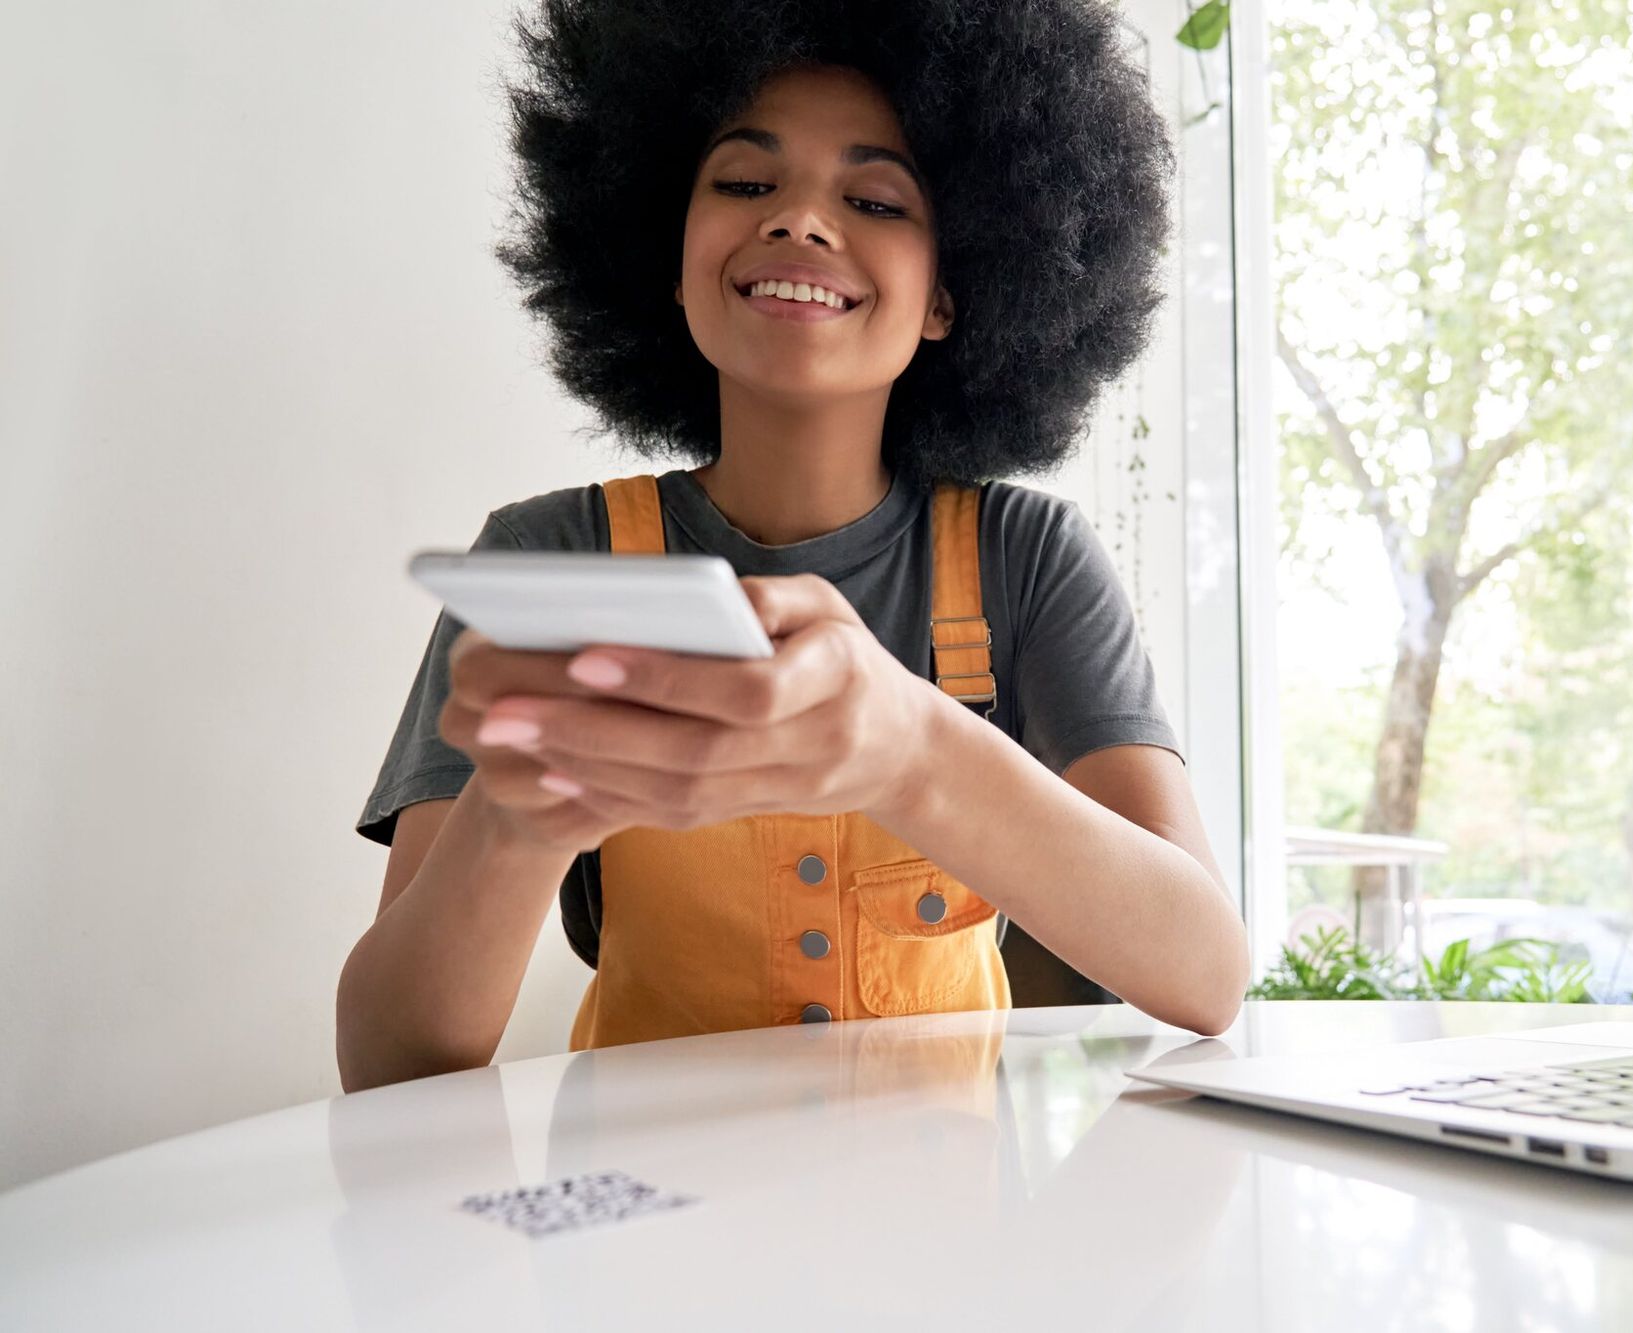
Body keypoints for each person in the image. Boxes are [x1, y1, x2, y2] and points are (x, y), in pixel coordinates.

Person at [337, 0, 1250, 1093]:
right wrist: (515, 813)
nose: (800, 223)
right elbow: (389, 1061)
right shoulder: (552, 556)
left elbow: (1205, 977)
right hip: (642, 1233)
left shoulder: (1024, 556)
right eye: (741, 183)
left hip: (946, 1248)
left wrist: (916, 749)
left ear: (949, 298)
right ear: (665, 260)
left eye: (871, 198)